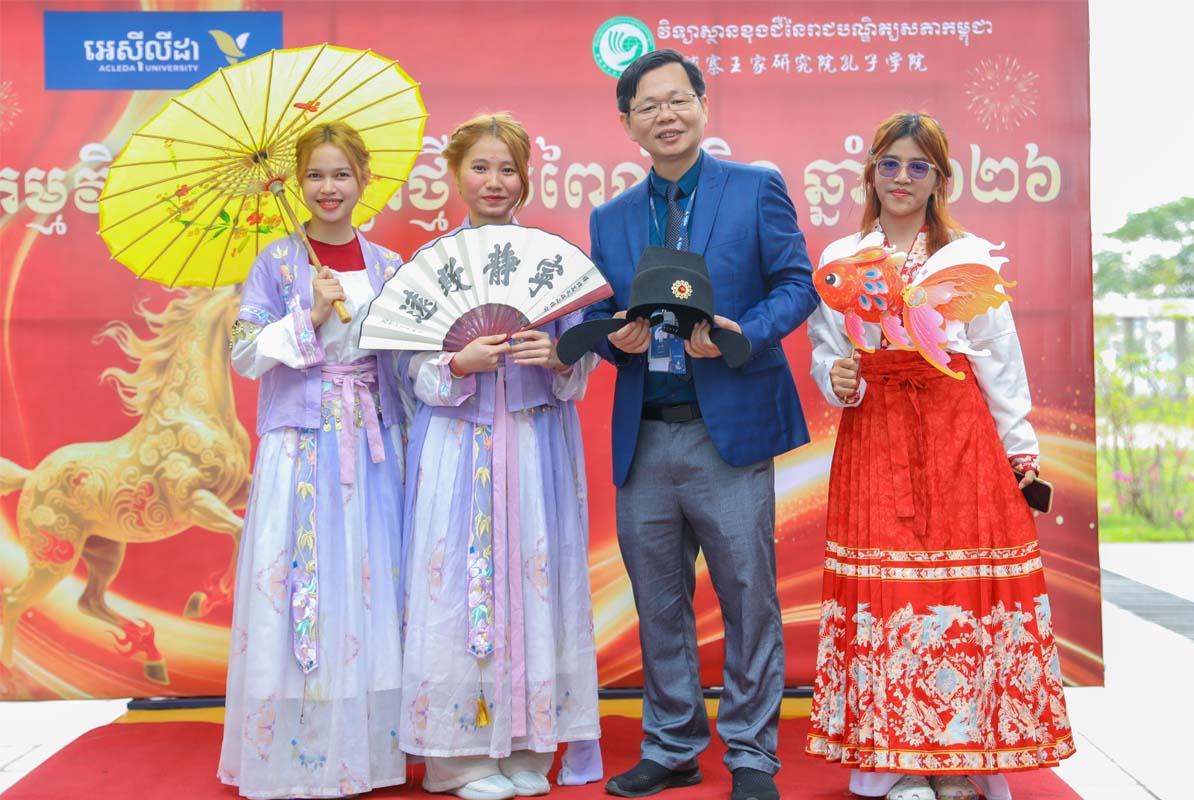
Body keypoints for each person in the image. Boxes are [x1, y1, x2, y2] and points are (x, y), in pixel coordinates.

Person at [805, 111, 1075, 800]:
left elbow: (1000, 361)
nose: (902, 178)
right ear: (871, 172)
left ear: (939, 179)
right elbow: (827, 352)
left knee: (957, 589)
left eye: (917, 166)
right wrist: (837, 375)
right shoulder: (842, 256)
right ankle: (894, 762)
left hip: (958, 436)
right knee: (888, 589)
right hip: (875, 432)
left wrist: (1021, 452)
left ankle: (957, 763)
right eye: (890, 163)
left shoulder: (966, 257)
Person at [585, 50, 818, 800]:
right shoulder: (611, 218)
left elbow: (798, 284)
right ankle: (672, 744)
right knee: (658, 601)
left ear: (702, 107)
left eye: (678, 99)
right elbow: (600, 310)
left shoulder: (754, 188)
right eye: (648, 106)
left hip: (730, 427)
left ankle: (751, 753)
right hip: (646, 430)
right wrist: (614, 338)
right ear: (628, 124)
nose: (666, 115)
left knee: (748, 594)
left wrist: (743, 332)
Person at [397, 113, 602, 800]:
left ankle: (526, 740)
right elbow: (407, 372)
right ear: (455, 176)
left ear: (526, 178)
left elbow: (579, 364)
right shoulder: (429, 267)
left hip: (535, 443)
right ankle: (456, 755)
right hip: (459, 447)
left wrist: (560, 357)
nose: (494, 181)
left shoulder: (552, 262)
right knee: (461, 584)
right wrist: (457, 363)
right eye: (480, 167)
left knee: (533, 578)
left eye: (508, 168)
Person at [218, 121, 410, 798]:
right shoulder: (275, 262)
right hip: (300, 446)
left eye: (341, 174)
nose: (329, 188)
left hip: (373, 444)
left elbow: (406, 358)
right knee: (306, 581)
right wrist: (309, 316)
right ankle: (298, 750)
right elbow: (244, 355)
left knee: (367, 585)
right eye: (315, 175)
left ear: (364, 180)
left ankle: (366, 746)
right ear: (298, 183)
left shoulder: (389, 265)